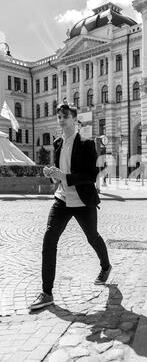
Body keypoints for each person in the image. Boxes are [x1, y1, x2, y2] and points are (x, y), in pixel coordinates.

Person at [29, 103, 111, 311]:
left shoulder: (86, 144)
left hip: (83, 201)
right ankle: (47, 293)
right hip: (62, 200)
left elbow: (92, 175)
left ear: (75, 119)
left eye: (65, 116)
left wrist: (64, 176)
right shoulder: (57, 143)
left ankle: (105, 266)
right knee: (49, 240)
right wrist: (52, 175)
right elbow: (59, 173)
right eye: (58, 116)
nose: (61, 119)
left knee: (92, 236)